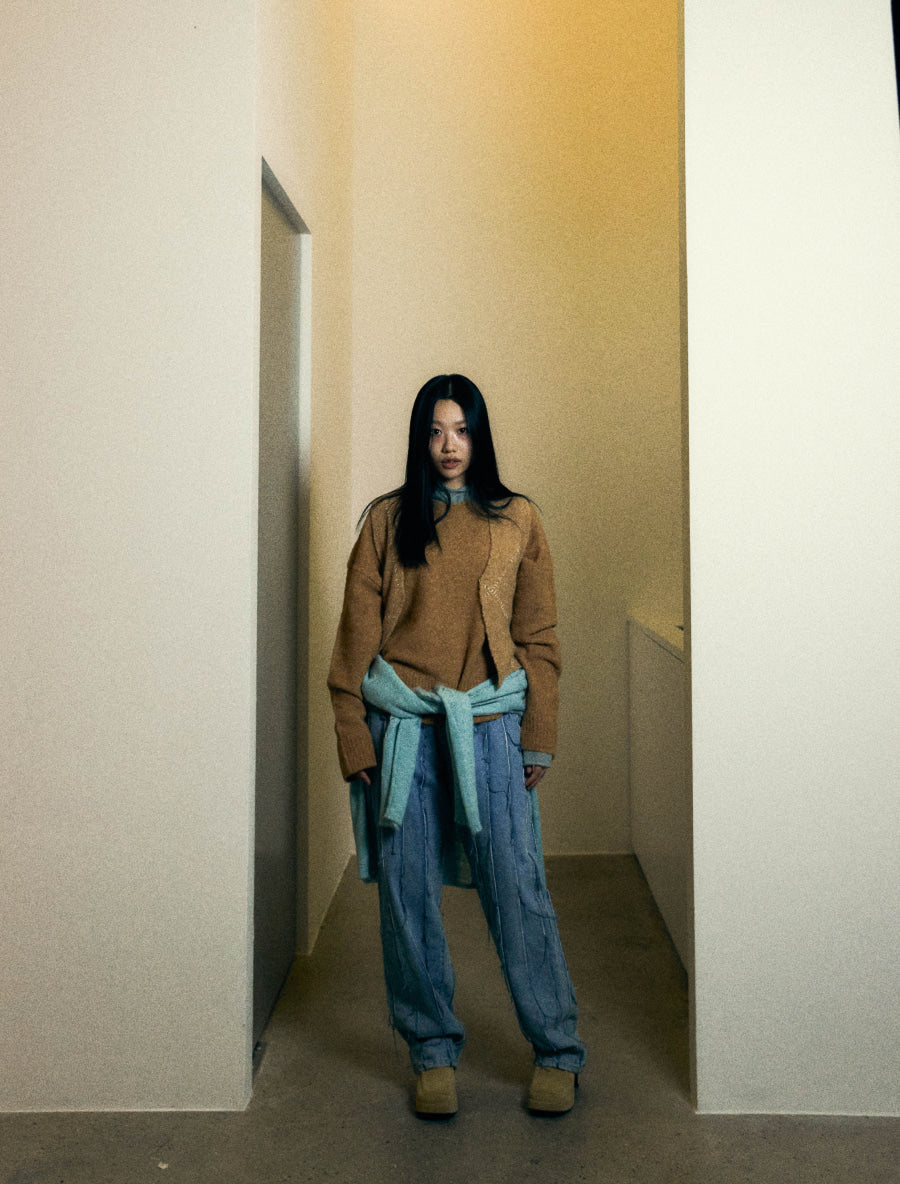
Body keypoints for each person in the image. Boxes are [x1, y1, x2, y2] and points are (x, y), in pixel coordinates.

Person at [328, 374, 586, 1118]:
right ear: (421, 437)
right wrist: (355, 737)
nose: (449, 445)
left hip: (491, 728)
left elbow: (539, 637)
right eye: (437, 430)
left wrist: (538, 736)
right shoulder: (386, 521)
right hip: (404, 731)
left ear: (480, 436)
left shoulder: (517, 519)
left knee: (518, 889)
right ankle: (432, 1050)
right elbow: (353, 642)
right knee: (407, 896)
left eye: (463, 430)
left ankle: (557, 1050)